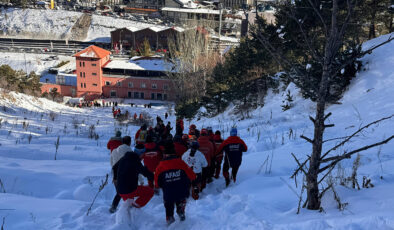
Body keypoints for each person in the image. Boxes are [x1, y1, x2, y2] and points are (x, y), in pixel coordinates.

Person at [155, 140, 196, 226]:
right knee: (181, 199)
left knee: (169, 206)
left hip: (168, 195)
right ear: (174, 152)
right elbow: (193, 176)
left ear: (165, 154)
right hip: (182, 192)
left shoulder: (160, 167)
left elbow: (157, 184)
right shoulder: (181, 163)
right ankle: (181, 211)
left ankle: (170, 219)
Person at [116, 136, 154, 210]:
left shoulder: (125, 158)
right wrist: (154, 177)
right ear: (141, 154)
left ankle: (129, 214)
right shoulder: (135, 161)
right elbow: (146, 173)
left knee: (130, 202)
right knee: (150, 192)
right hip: (128, 190)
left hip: (120, 189)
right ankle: (135, 208)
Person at [109, 136, 131, 213]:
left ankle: (115, 207)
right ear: (130, 143)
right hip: (125, 176)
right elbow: (134, 166)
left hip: (115, 176)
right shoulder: (130, 152)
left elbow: (111, 164)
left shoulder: (114, 151)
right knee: (124, 192)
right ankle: (119, 208)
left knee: (120, 192)